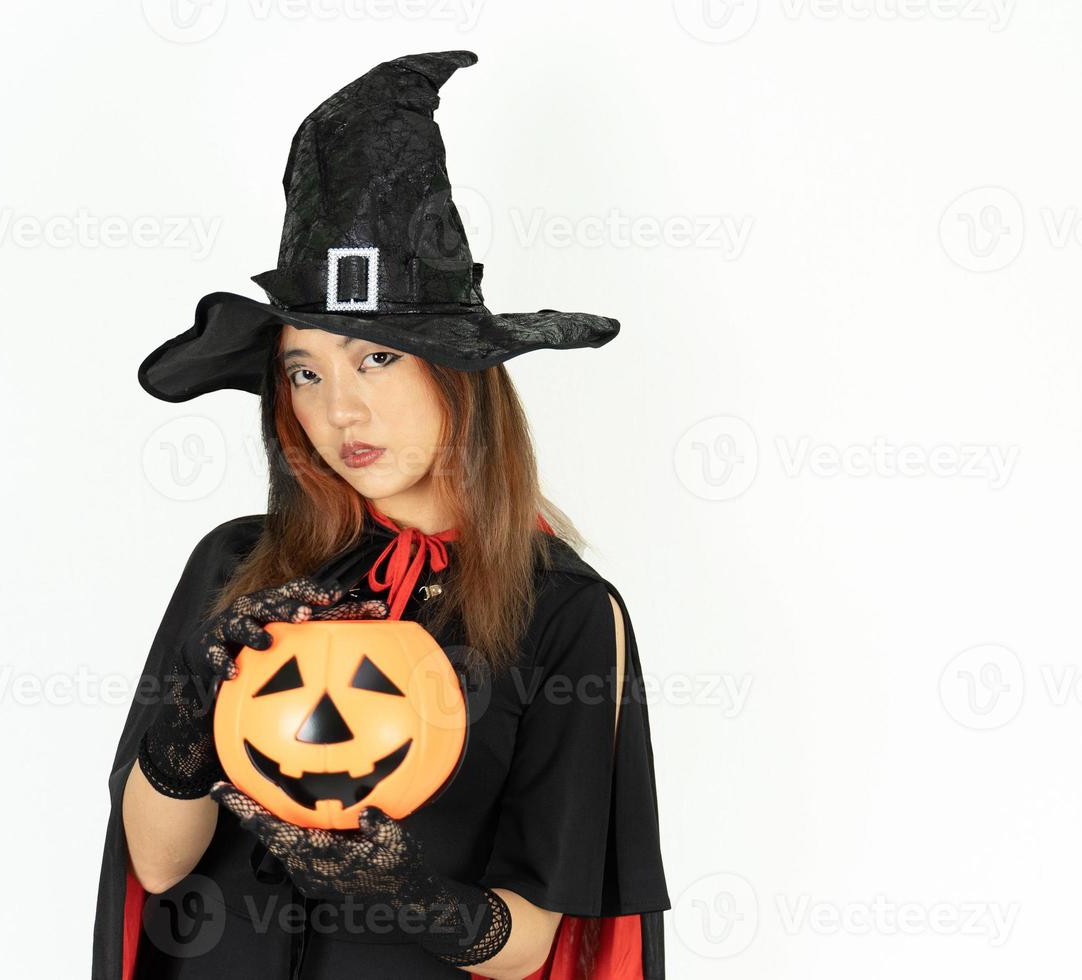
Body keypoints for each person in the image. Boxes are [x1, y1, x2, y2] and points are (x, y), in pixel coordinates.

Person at [90, 51, 670, 980]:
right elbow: (156, 863)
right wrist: (195, 714)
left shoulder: (562, 614)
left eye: (377, 360)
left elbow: (533, 945)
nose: (340, 411)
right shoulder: (234, 566)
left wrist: (407, 894)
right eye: (305, 371)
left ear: (457, 372)